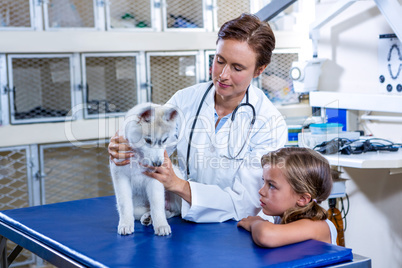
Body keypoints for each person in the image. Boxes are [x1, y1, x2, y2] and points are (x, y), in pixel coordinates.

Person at [108, 13, 287, 223]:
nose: (223, 75)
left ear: (259, 70)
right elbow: (153, 144)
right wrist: (126, 145)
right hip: (186, 220)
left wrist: (178, 185)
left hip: (240, 230)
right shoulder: (184, 100)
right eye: (219, 61)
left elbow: (246, 202)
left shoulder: (269, 123)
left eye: (237, 68)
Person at [237, 147, 338, 247]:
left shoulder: (317, 226)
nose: (261, 191)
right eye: (264, 181)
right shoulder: (282, 217)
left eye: (271, 185)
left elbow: (266, 235)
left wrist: (255, 223)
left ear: (302, 198)